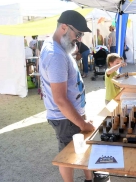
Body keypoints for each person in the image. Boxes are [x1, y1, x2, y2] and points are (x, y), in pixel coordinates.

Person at [39, 10, 102, 182]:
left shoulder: (56, 46)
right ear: (64, 27)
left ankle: (89, 178)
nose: (79, 38)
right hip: (65, 118)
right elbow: (60, 99)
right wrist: (82, 123)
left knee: (77, 149)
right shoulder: (56, 55)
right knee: (67, 155)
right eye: (78, 33)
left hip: (69, 115)